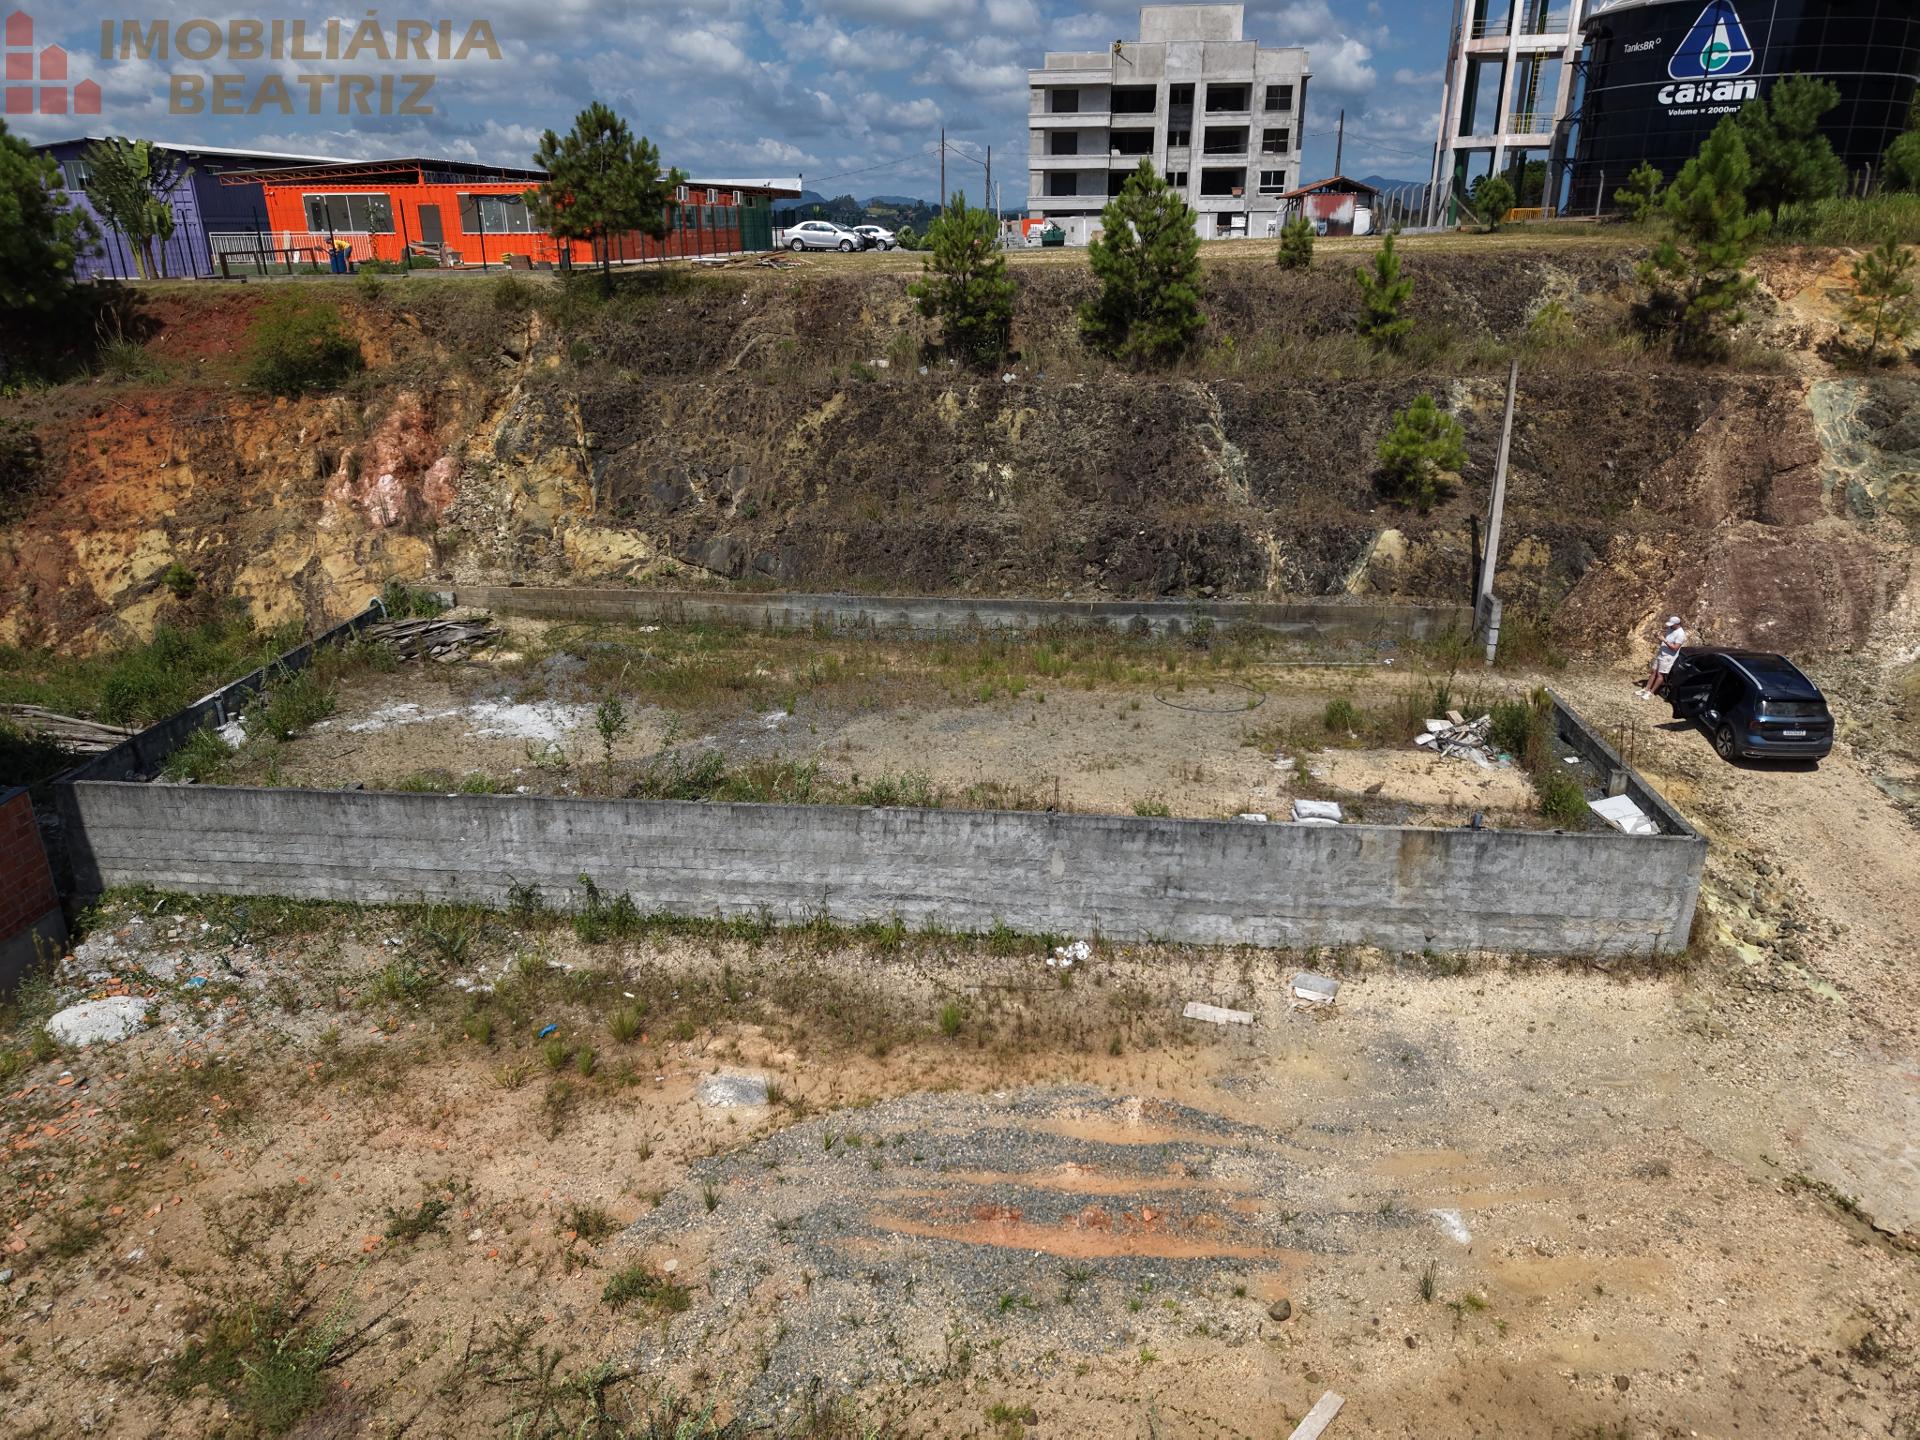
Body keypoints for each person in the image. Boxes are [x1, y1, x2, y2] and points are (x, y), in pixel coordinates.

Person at [1640, 614, 1687, 699]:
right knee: (1654, 672)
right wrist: (1658, 636)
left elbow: (1675, 648)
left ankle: (1651, 692)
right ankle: (1646, 689)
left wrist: (1664, 640)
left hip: (1668, 657)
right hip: (1661, 653)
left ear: (1677, 624)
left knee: (1660, 674)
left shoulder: (1680, 634)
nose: (1670, 626)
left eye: (1672, 625)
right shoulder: (1670, 628)